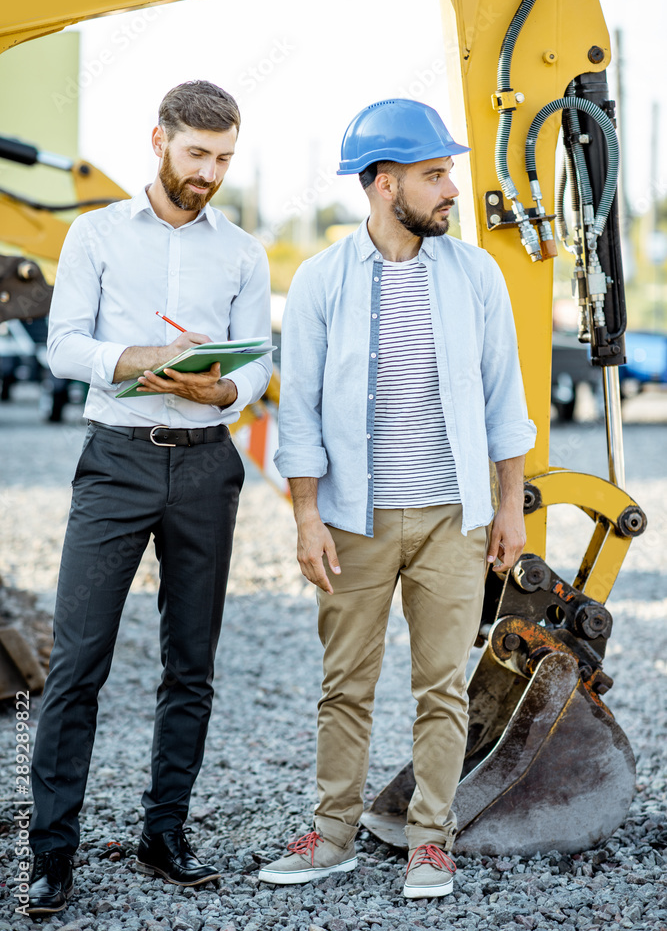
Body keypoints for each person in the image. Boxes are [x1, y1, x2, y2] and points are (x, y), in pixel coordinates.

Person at [258, 99, 536, 899]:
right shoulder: (319, 281)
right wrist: (306, 516)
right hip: (353, 520)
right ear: (384, 184)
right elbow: (298, 409)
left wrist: (509, 506)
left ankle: (430, 841)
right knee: (344, 683)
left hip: (453, 518)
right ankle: (332, 835)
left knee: (441, 687)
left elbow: (502, 399)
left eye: (447, 170)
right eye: (432, 174)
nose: (450, 188)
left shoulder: (474, 274)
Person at [27, 80, 272, 915]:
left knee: (190, 665)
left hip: (207, 464)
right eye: (197, 154)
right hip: (116, 461)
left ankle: (164, 833)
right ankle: (52, 853)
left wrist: (224, 393)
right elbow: (62, 346)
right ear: (159, 141)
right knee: (77, 663)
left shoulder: (240, 251)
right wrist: (135, 361)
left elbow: (258, 364)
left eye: (224, 159)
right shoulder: (94, 234)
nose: (209, 173)